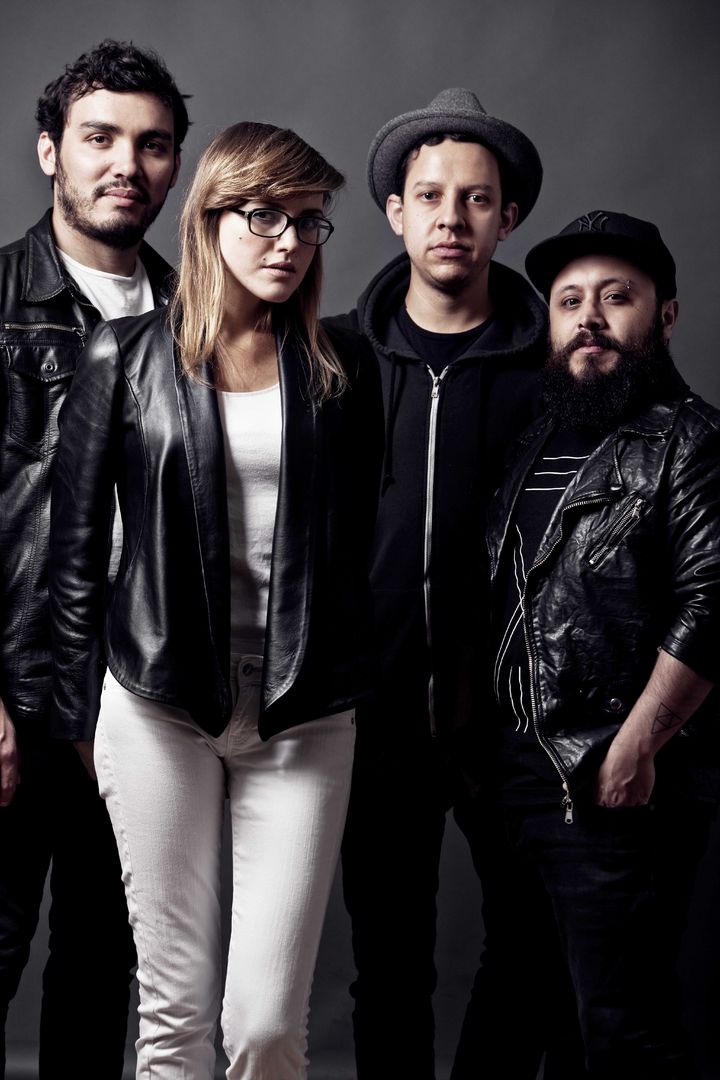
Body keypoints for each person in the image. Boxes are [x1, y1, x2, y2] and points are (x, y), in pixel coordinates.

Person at [48, 120, 383, 1079]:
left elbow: (354, 549)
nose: (289, 241)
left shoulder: (344, 368)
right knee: (174, 1014)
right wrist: (84, 721)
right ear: (210, 218)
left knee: (267, 1024)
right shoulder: (123, 357)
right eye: (264, 215)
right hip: (156, 704)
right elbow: (75, 557)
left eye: (308, 221)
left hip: (302, 710)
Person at [455, 210, 720, 1079]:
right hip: (518, 779)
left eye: (616, 298)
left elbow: (712, 602)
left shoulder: (693, 442)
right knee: (517, 1001)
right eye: (570, 301)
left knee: (621, 1027)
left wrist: (637, 746)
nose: (589, 319)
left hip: (615, 779)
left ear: (664, 316)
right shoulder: (534, 439)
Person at [325, 87, 549, 1078]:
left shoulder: (556, 367)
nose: (452, 217)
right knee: (389, 968)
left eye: (476, 198)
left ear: (508, 217)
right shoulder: (334, 356)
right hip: (374, 719)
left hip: (514, 721)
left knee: (533, 945)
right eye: (430, 196)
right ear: (395, 211)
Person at [0, 39, 189, 1078]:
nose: (127, 164)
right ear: (50, 151)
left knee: (102, 967)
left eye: (152, 145)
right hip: (18, 689)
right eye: (100, 137)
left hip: (138, 699)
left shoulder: (199, 318)